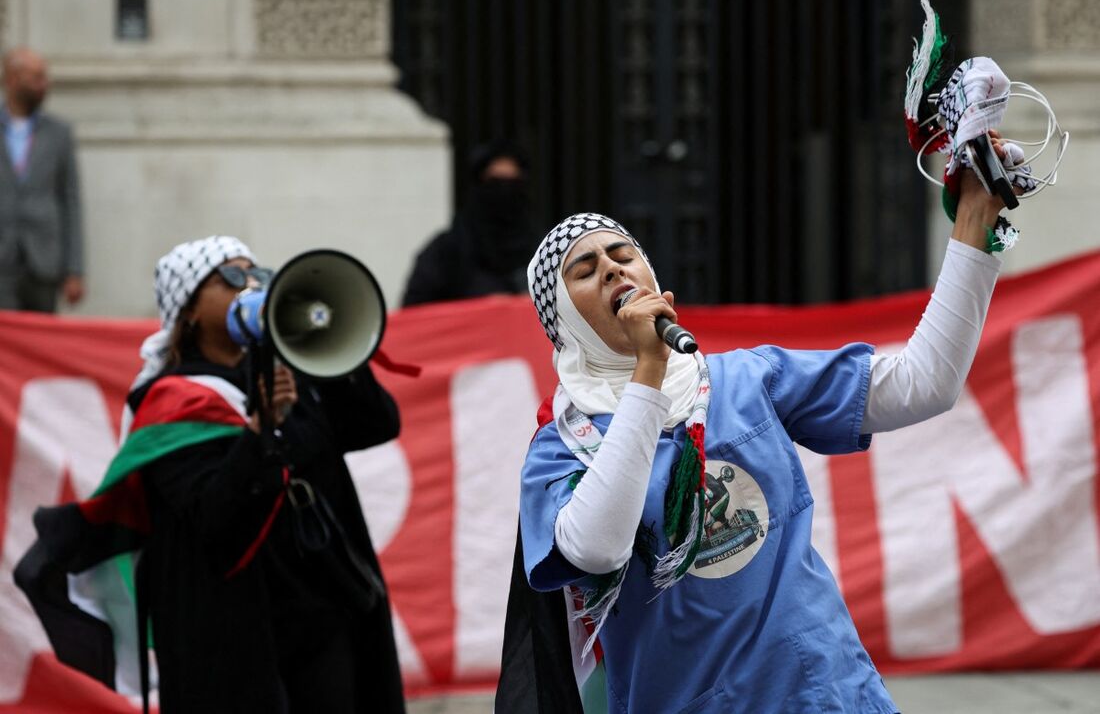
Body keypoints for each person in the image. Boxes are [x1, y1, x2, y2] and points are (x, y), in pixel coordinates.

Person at [500, 143, 1014, 712]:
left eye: (623, 253)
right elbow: (597, 548)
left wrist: (974, 219)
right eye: (585, 269)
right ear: (563, 322)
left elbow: (926, 382)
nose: (612, 268)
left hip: (828, 694)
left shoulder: (747, 378)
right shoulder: (560, 448)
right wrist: (649, 371)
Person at [15, 236, 405, 713]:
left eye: (257, 273)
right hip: (236, 633)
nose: (252, 285)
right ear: (190, 310)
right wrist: (262, 430)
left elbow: (376, 423)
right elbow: (214, 517)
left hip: (322, 615)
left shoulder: (288, 370)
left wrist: (333, 349)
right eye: (232, 277)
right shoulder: (173, 403)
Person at [402, 139, 537, 306]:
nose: (505, 192)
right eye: (495, 183)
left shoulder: (543, 250)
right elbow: (416, 315)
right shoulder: (446, 251)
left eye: (513, 183)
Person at [0, 47, 84, 312]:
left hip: (44, 264)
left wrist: (74, 269)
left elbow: (70, 201)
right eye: (36, 78)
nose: (44, 85)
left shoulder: (59, 133)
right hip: (3, 263)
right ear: (12, 79)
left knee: (39, 342)